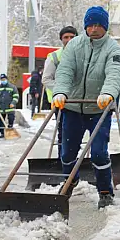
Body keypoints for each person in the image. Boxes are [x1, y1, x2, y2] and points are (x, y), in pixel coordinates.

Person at [52, 6, 120, 208]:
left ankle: (105, 191)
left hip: (98, 110)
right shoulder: (74, 45)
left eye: (98, 25)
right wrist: (60, 92)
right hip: (73, 108)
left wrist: (108, 93)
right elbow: (65, 71)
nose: (93, 29)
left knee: (99, 153)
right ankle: (69, 181)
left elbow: (116, 73)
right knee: (67, 153)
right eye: (90, 24)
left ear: (105, 27)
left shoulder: (113, 48)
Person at [43, 26, 78, 160]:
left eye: (72, 37)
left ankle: (76, 161)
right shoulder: (54, 57)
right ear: (61, 39)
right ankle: (63, 162)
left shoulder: (84, 55)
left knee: (77, 135)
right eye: (66, 37)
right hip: (62, 103)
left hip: (80, 102)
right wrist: (62, 91)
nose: (69, 40)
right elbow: (46, 79)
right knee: (64, 134)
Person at [0, 73, 20, 139]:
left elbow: (16, 96)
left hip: (10, 107)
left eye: (4, 79)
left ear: (6, 79)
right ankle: (2, 133)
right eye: (2, 79)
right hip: (1, 107)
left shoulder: (12, 87)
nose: (3, 80)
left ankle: (10, 130)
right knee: (1, 121)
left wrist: (13, 103)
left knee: (11, 118)